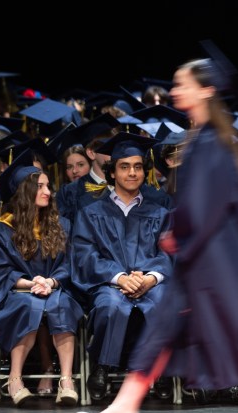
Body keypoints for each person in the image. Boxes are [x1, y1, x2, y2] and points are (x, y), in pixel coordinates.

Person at [100, 53, 238, 413]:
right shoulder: (201, 138)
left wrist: (181, 234)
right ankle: (125, 403)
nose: (176, 89)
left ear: (205, 91)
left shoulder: (212, 142)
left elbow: (213, 205)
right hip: (202, 258)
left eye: (184, 84)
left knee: (229, 337)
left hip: (215, 259)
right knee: (166, 331)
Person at [71, 133, 173, 401]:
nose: (132, 173)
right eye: (124, 167)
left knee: (163, 300)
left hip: (150, 284)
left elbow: (169, 253)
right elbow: (84, 255)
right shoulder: (91, 212)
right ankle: (103, 367)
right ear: (112, 173)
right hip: (110, 284)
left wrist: (151, 278)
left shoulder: (160, 213)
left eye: (138, 167)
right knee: (110, 305)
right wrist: (118, 278)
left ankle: (159, 370)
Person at [0, 153, 83, 407]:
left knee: (61, 305)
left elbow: (69, 265)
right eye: (40, 187)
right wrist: (29, 283)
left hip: (55, 290)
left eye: (48, 186)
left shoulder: (61, 225)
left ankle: (66, 380)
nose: (48, 192)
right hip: (18, 293)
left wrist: (50, 282)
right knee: (29, 305)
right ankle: (15, 379)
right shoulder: (2, 228)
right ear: (24, 192)